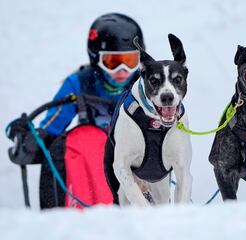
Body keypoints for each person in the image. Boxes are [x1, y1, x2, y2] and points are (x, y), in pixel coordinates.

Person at [6, 13, 145, 208]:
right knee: (85, 137)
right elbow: (51, 129)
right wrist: (29, 140)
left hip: (137, 168)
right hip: (95, 167)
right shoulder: (80, 83)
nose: (122, 71)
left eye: (130, 61)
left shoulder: (147, 84)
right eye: (113, 62)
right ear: (96, 58)